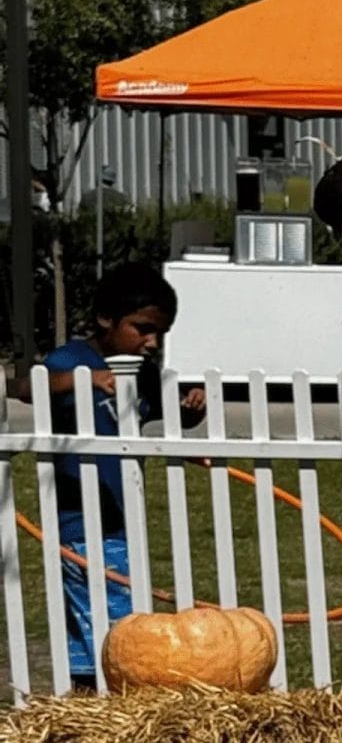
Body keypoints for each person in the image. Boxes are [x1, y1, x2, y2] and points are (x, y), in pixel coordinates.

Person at [42, 262, 206, 690]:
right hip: (80, 518)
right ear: (105, 319)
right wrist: (86, 380)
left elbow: (168, 420)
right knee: (114, 613)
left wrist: (190, 411)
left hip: (122, 517)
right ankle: (111, 692)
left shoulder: (144, 375)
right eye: (143, 328)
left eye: (160, 334)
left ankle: (90, 691)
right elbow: (28, 388)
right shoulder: (72, 359)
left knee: (103, 612)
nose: (152, 342)